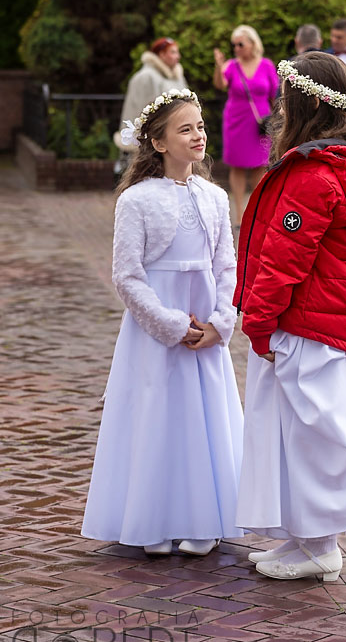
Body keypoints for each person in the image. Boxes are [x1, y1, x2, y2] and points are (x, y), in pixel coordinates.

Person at [234, 52, 346, 582]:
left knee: (312, 433)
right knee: (295, 431)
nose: (278, 106)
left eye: (285, 98)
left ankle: (320, 545)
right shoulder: (334, 167)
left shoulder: (312, 176)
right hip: (314, 322)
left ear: (302, 106)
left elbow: (283, 259)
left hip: (306, 324)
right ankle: (299, 537)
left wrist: (258, 320)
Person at [82, 88, 244, 556]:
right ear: (158, 142)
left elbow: (227, 266)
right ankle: (151, 519)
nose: (198, 135)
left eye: (201, 126)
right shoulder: (136, 200)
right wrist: (171, 324)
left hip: (206, 328)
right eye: (186, 128)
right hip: (157, 330)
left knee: (202, 418)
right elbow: (127, 276)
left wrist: (220, 321)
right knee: (159, 416)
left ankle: (203, 519)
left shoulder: (214, 198)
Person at [214, 25, 279, 227]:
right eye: (234, 45)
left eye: (240, 44)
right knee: (237, 166)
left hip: (260, 121)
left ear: (252, 43)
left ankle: (257, 211)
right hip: (236, 120)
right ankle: (240, 213)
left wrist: (276, 120)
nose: (237, 48)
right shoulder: (232, 65)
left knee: (260, 165)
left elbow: (275, 95)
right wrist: (218, 65)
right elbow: (220, 85)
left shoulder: (267, 65)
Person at [114, 37, 187, 153]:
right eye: (173, 52)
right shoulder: (145, 77)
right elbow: (139, 111)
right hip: (153, 143)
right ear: (161, 54)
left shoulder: (178, 77)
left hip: (174, 139)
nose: (178, 56)